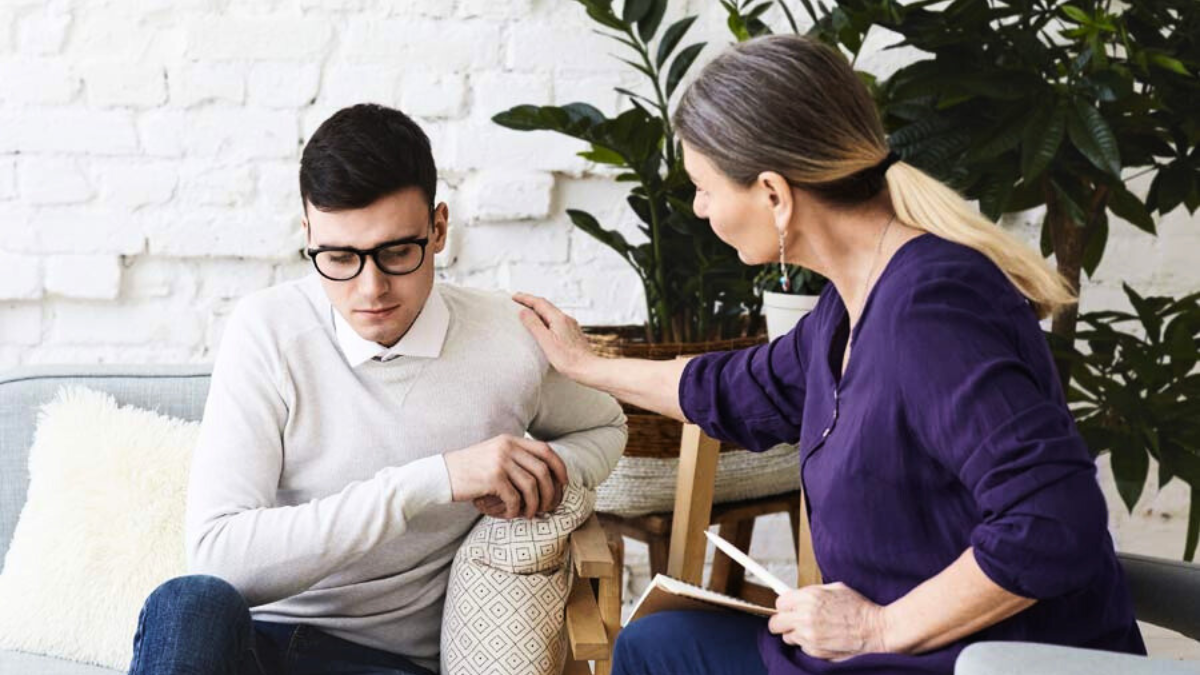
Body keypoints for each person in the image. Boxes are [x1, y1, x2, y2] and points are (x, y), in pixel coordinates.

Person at [513, 34, 1145, 675]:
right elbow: (733, 389)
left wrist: (880, 626)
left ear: (773, 194)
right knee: (656, 644)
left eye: (704, 187)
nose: (700, 208)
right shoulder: (850, 307)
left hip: (966, 660)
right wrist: (584, 364)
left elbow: (1052, 521)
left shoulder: (930, 313)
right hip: (893, 652)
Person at [126, 103, 628, 675]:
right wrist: (432, 480)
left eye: (395, 253)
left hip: (386, 663)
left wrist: (538, 466)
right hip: (253, 649)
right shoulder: (267, 330)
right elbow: (220, 558)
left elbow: (607, 425)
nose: (371, 289)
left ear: (439, 228)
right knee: (191, 603)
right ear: (308, 234)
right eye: (339, 257)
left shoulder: (507, 339)